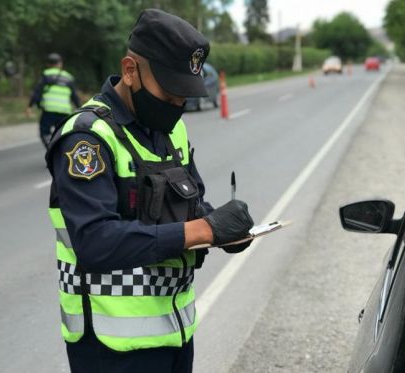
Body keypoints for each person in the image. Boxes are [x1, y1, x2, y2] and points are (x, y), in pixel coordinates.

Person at [44, 9, 255, 373]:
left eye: (183, 97)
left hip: (176, 330)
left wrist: (223, 228)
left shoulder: (171, 130)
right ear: (130, 71)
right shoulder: (87, 139)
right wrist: (201, 230)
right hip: (111, 347)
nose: (177, 106)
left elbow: (191, 207)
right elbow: (95, 241)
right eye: (170, 93)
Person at [27, 53, 81, 148]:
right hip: (64, 111)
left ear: (48, 64)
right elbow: (74, 96)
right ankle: (62, 152)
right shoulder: (68, 77)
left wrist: (30, 106)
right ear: (60, 64)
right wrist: (80, 109)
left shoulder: (46, 74)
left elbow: (38, 92)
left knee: (45, 132)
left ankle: (51, 149)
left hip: (49, 110)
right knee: (62, 134)